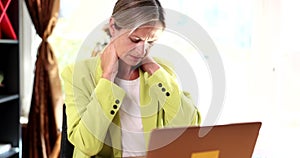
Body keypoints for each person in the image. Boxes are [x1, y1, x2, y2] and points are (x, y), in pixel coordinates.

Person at [61, 0, 201, 157]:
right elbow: (87, 145)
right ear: (113, 27)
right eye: (135, 40)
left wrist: (154, 70)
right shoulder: (78, 75)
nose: (142, 50)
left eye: (151, 42)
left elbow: (188, 129)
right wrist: (107, 79)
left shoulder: (162, 73)